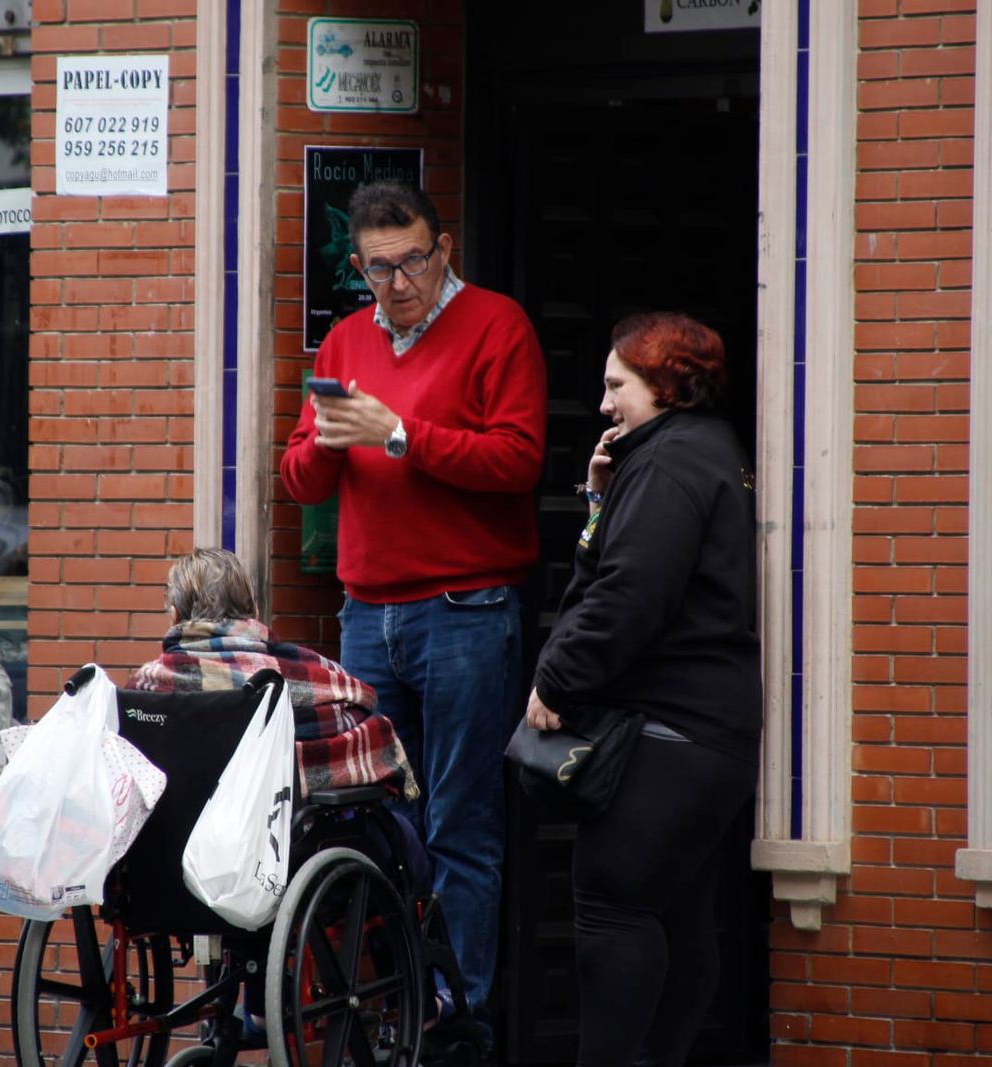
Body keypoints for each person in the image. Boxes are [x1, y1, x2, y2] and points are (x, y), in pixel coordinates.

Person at [280, 180, 547, 1044]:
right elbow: (298, 479)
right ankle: (391, 1003)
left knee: (458, 822)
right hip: (369, 613)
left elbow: (516, 460)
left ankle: (455, 1019)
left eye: (413, 262)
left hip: (465, 607)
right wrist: (326, 444)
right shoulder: (349, 338)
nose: (397, 284)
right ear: (358, 266)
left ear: (445, 250)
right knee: (376, 824)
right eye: (378, 268)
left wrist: (400, 434)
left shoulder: (498, 325)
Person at [525, 312, 760, 1067]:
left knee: (611, 901)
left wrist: (556, 679)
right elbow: (624, 572)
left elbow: (629, 597)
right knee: (679, 911)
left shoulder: (667, 465)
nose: (602, 404)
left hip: (669, 730)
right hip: (705, 734)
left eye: (615, 385)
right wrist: (598, 499)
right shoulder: (691, 451)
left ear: (663, 385)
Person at [127, 548, 419, 802]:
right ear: (253, 610)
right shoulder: (316, 673)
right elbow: (363, 710)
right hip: (279, 835)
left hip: (177, 839)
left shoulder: (148, 686)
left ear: (175, 615)